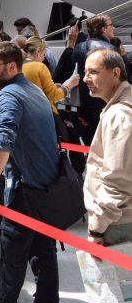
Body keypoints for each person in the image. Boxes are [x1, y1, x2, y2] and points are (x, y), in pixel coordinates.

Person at [0, 42, 60, 303]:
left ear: (11, 66)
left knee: (12, 258)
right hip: (46, 185)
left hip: (24, 190)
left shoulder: (8, 94)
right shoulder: (33, 89)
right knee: (44, 252)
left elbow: (2, 139)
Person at [84, 48, 132, 246]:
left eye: (93, 72)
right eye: (86, 72)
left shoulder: (119, 115)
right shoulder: (120, 108)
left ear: (115, 73)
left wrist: (97, 227)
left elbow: (116, 181)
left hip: (116, 222)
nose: (86, 78)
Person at [72, 14, 119, 144]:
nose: (113, 28)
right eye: (110, 25)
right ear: (103, 29)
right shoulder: (110, 49)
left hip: (84, 105)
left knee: (91, 145)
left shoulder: (78, 47)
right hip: (105, 104)